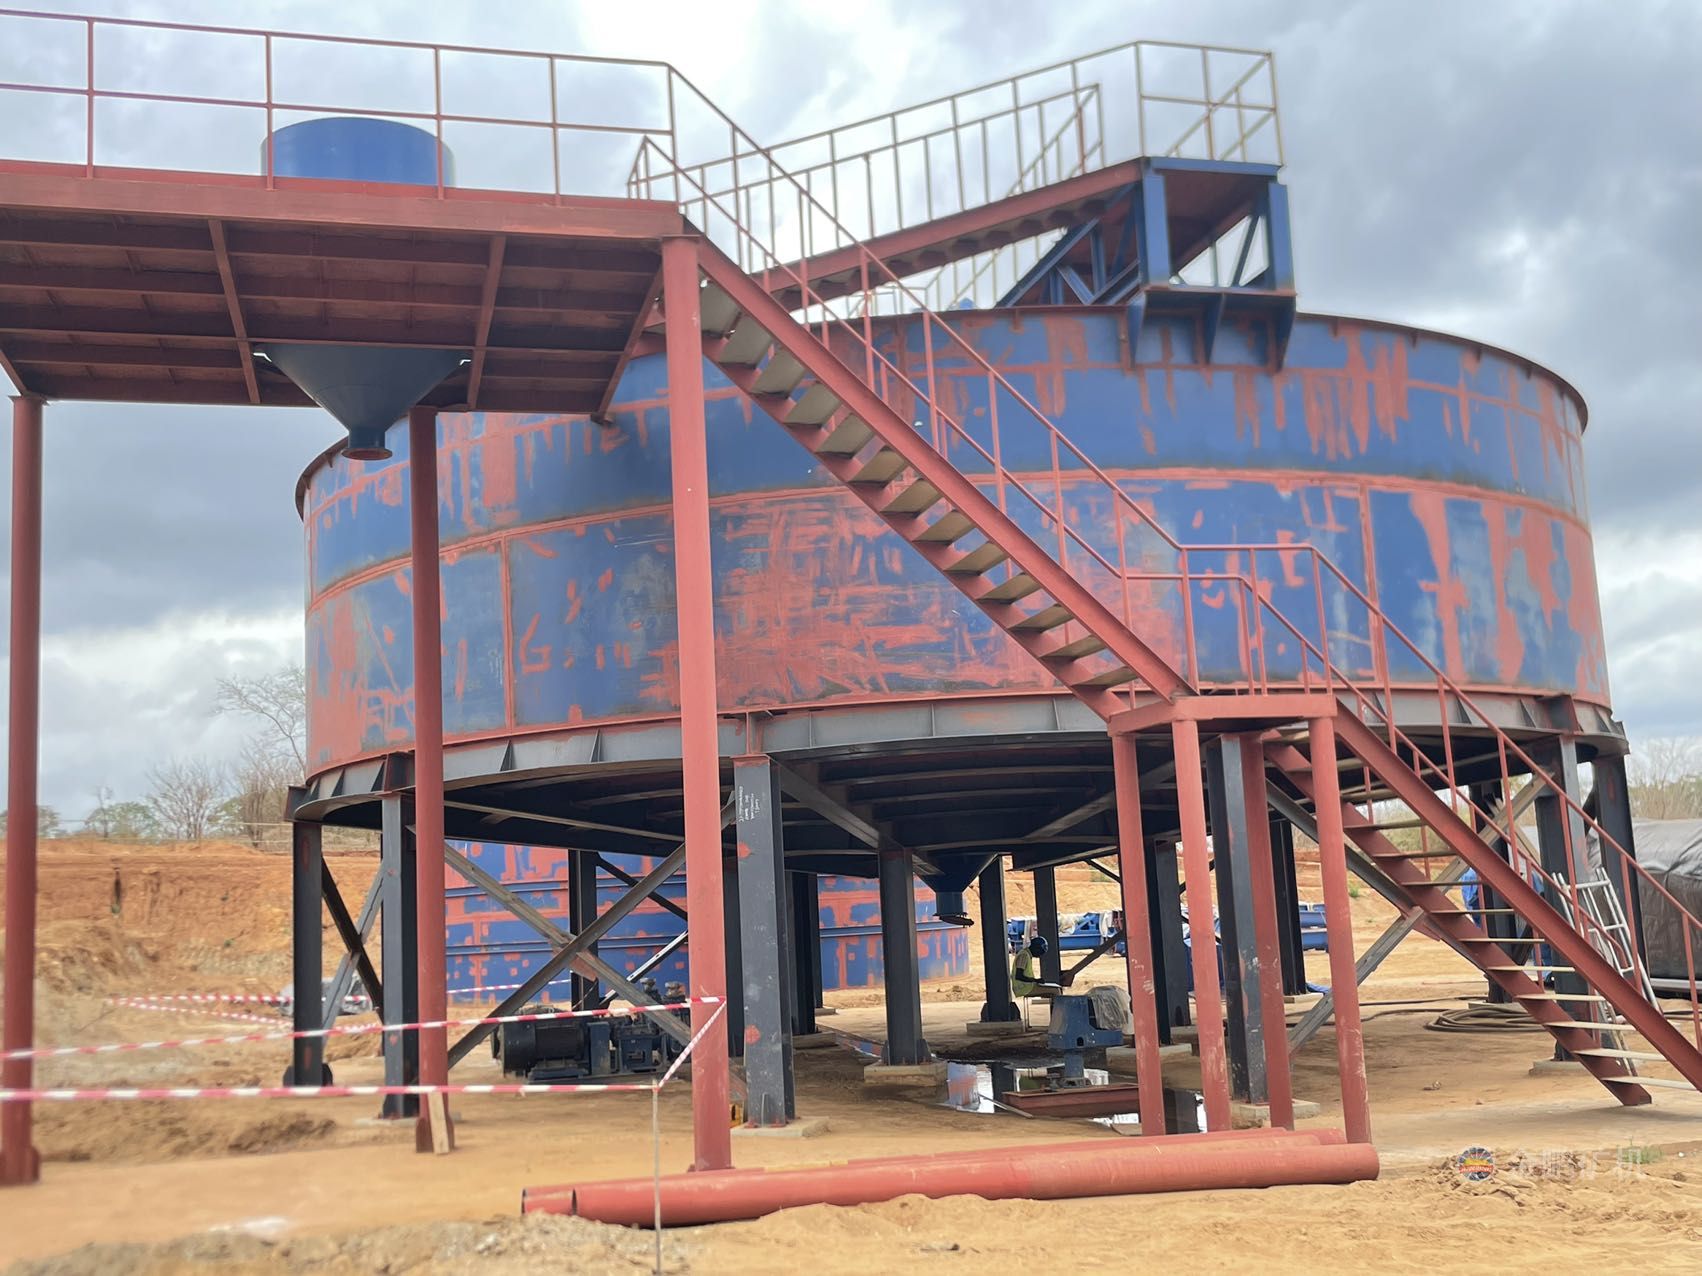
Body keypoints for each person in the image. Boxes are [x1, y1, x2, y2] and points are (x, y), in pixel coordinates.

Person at [1011, 934, 1050, 999]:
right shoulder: (1024, 956)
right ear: (1036, 948)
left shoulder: (1027, 954)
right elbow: (1019, 976)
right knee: (1055, 991)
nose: (1039, 955)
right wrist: (1035, 980)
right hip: (1024, 988)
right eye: (1040, 953)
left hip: (1027, 986)